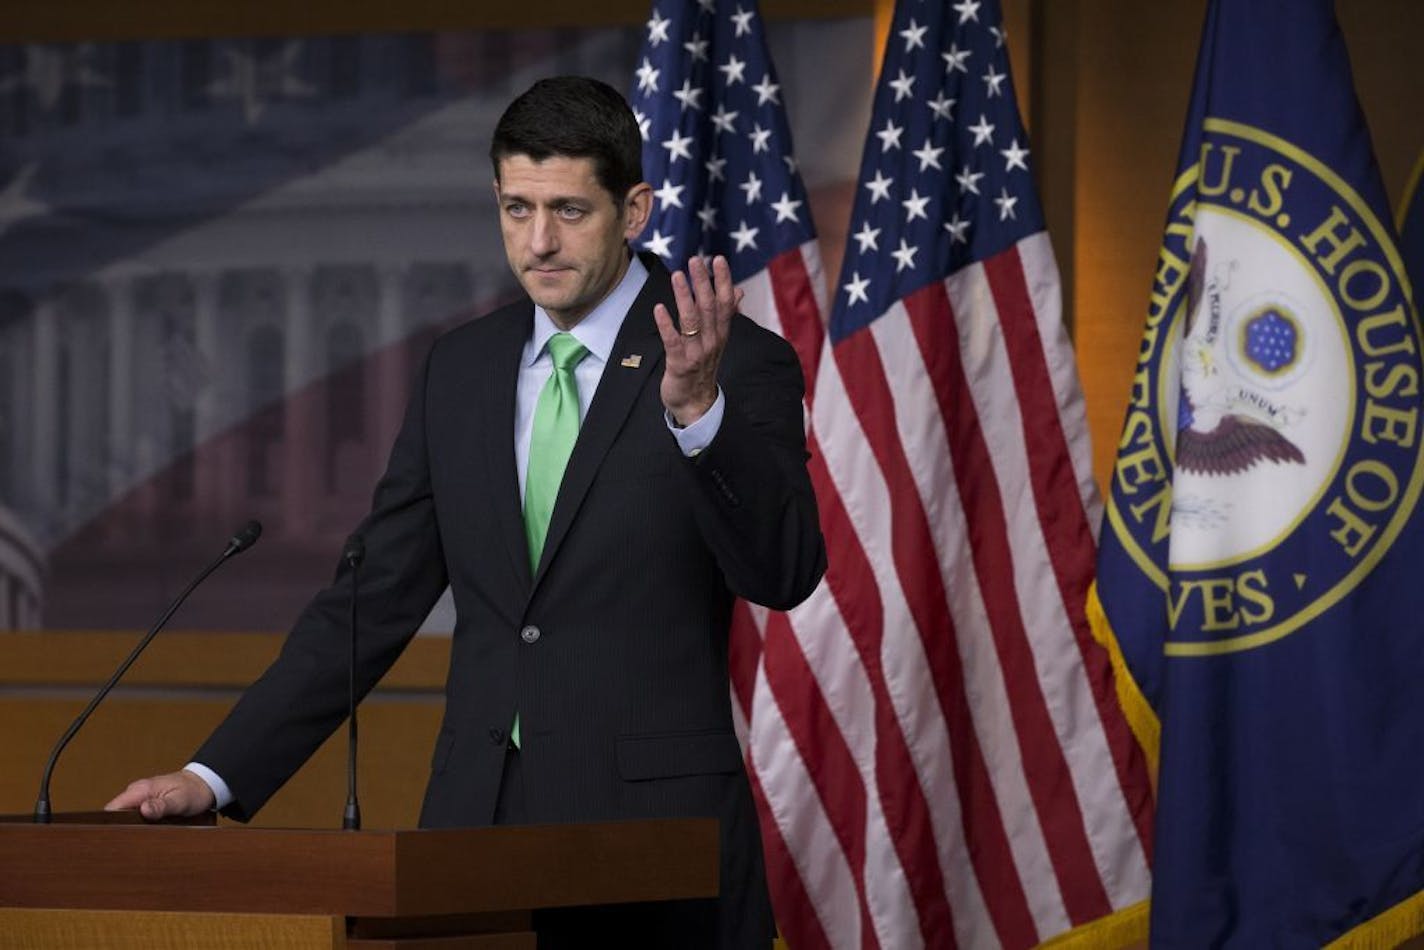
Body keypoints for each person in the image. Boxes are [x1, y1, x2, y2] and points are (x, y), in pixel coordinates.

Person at [106, 75, 825, 948]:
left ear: (634, 210)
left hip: (654, 843)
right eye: (517, 209)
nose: (540, 242)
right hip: (471, 835)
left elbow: (783, 573)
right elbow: (371, 599)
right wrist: (213, 776)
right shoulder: (463, 369)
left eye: (568, 210)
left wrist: (697, 416)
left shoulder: (728, 363)